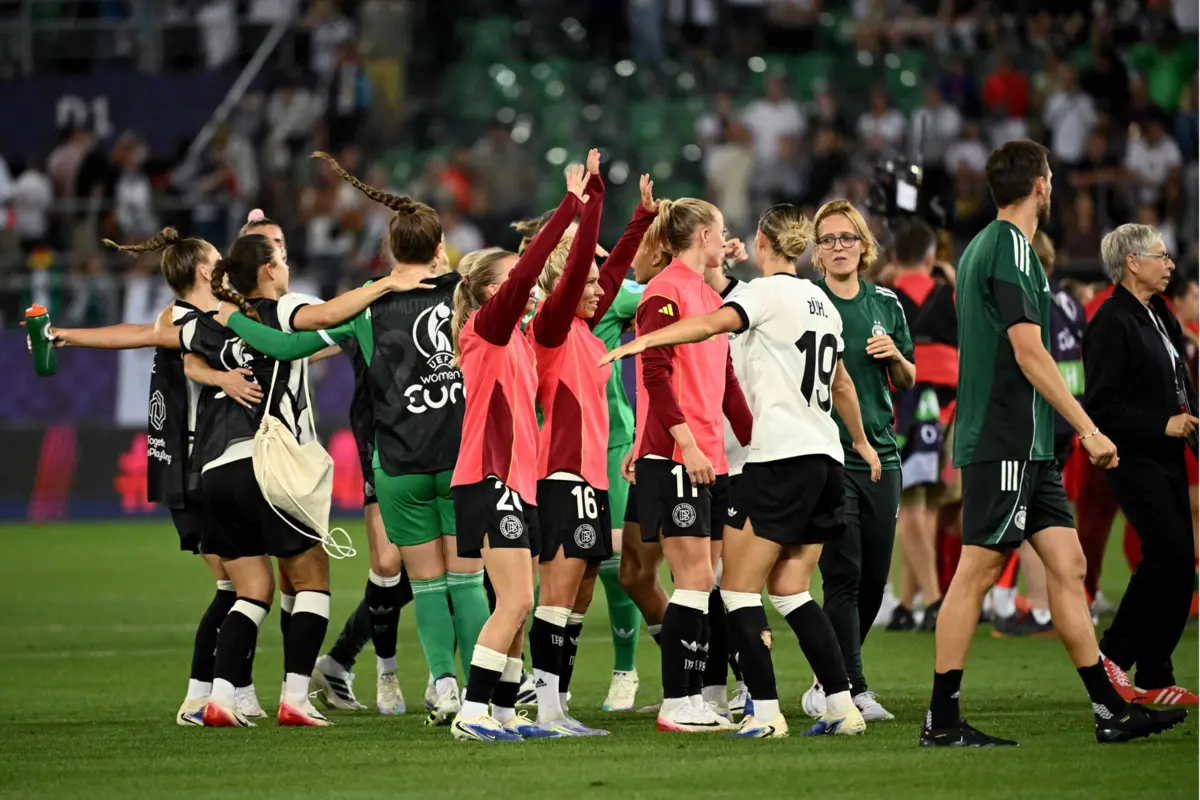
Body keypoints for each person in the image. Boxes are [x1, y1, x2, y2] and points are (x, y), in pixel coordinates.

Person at [922, 139, 1188, 747]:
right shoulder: (1011, 247)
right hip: (1007, 436)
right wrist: (1089, 427)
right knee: (978, 572)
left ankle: (1110, 711)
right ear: (1041, 185)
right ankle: (942, 720)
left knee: (1068, 566)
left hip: (1027, 442)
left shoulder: (979, 249)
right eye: (1049, 177)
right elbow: (1028, 350)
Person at [224, 168, 489, 727]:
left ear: (390, 250)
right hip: (463, 454)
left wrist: (226, 316)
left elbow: (283, 343)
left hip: (397, 463)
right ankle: (481, 693)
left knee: (424, 581)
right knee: (467, 580)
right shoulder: (469, 294)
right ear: (441, 248)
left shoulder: (366, 307)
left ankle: (442, 685)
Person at [601, 203, 877, 740]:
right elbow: (841, 383)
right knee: (793, 589)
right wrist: (862, 442)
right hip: (825, 456)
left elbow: (708, 325)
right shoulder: (823, 301)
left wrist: (642, 341)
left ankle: (764, 713)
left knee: (737, 590)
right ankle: (843, 707)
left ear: (763, 243)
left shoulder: (755, 296)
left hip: (775, 462)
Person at [41, 229, 266, 725]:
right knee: (242, 587)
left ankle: (228, 691)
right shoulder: (180, 319)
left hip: (201, 465)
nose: (224, 262)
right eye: (216, 258)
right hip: (195, 468)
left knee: (234, 585)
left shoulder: (211, 317)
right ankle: (204, 696)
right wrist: (67, 335)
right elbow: (148, 341)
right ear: (205, 271)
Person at [197, 233, 412, 728]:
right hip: (266, 464)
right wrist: (385, 286)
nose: (288, 268)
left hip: (213, 469)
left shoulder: (215, 321)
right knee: (312, 578)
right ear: (268, 272)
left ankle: (221, 697)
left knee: (249, 592)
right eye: (284, 259)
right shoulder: (282, 307)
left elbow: (179, 351)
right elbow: (324, 317)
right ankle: (296, 697)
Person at [447, 164, 590, 742]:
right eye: (513, 281)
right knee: (513, 601)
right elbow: (531, 268)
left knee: (519, 605)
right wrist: (566, 211)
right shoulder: (489, 327)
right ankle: (473, 711)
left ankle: (504, 713)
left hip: (516, 483)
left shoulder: (522, 340)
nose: (529, 287)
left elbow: (561, 281)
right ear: (489, 291)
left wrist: (587, 215)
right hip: (490, 477)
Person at [622, 196, 753, 733]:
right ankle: (677, 702)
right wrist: (683, 443)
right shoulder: (663, 291)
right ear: (701, 236)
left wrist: (759, 446)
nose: (726, 237)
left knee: (708, 579)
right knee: (694, 577)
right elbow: (652, 371)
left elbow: (725, 383)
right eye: (721, 229)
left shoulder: (707, 297)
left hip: (708, 456)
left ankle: (697, 695)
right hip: (680, 455)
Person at [806, 200, 915, 722]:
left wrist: (895, 355)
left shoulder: (886, 302)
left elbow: (908, 378)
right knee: (842, 573)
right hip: (829, 455)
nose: (838, 247)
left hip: (883, 453)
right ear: (816, 252)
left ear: (863, 245)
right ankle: (849, 687)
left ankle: (829, 673)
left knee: (874, 578)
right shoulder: (808, 302)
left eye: (847, 237)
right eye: (827, 239)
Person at [1084, 224, 1199, 706]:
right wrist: (1161, 426)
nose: (1170, 264)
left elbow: (1182, 390)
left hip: (1169, 456)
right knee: (1169, 554)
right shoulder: (1112, 321)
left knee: (1181, 567)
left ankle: (1154, 673)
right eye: (1161, 256)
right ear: (1132, 263)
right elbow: (1102, 406)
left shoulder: (1161, 315)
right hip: (1134, 457)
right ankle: (1112, 655)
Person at [525, 149, 613, 736]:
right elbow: (582, 264)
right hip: (562, 472)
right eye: (589, 279)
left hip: (592, 475)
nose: (600, 285)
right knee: (556, 595)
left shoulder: (583, 327)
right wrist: (588, 206)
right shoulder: (552, 329)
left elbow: (609, 266)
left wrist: (630, 219)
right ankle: (547, 707)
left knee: (578, 593)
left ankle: (555, 700)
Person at [887, 221, 957, 631]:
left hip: (901, 408)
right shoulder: (950, 296)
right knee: (924, 504)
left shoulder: (885, 297)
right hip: (947, 410)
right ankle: (920, 601)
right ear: (931, 259)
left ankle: (921, 600)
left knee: (914, 503)